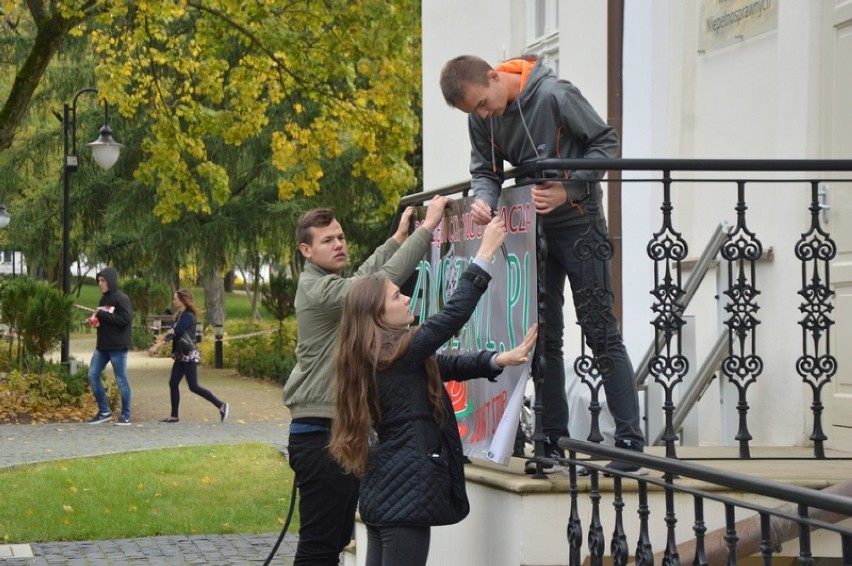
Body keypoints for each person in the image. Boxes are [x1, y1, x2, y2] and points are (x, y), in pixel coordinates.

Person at [439, 54, 645, 474]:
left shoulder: (554, 94)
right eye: (473, 112)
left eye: (482, 104)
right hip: (531, 230)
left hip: (580, 223)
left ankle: (629, 444)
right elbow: (486, 170)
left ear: (496, 77)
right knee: (544, 335)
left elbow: (606, 143)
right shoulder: (479, 117)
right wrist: (484, 198)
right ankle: (550, 442)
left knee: (599, 328)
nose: (482, 115)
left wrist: (568, 188)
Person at [329, 216, 537, 566]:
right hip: (405, 494)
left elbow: (445, 366)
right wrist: (484, 253)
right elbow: (453, 316)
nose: (407, 297)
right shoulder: (397, 352)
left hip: (386, 490)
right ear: (378, 314)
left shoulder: (382, 353)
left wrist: (498, 359)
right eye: (397, 295)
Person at [283, 198, 449, 566]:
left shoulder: (330, 283)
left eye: (340, 237)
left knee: (334, 541)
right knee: (319, 547)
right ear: (306, 250)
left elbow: (366, 275)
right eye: (328, 241)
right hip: (319, 436)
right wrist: (426, 231)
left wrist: (398, 238)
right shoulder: (319, 291)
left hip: (331, 431)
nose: (339, 244)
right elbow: (375, 285)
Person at [147, 289, 228, 423]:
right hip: (180, 355)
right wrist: (159, 343)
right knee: (173, 383)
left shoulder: (188, 317)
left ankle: (221, 405)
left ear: (182, 300)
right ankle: (174, 416)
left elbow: (175, 332)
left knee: (194, 386)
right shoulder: (180, 315)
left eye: (175, 299)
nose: (173, 301)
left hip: (188, 355)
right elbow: (172, 330)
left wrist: (157, 346)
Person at [85, 267, 134, 426]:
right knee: (92, 375)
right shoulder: (102, 301)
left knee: (121, 380)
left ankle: (126, 415)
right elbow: (104, 321)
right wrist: (93, 321)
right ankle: (104, 411)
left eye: (103, 280)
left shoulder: (122, 298)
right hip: (102, 347)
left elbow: (124, 320)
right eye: (98, 281)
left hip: (118, 347)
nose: (100, 284)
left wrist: (101, 315)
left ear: (110, 281)